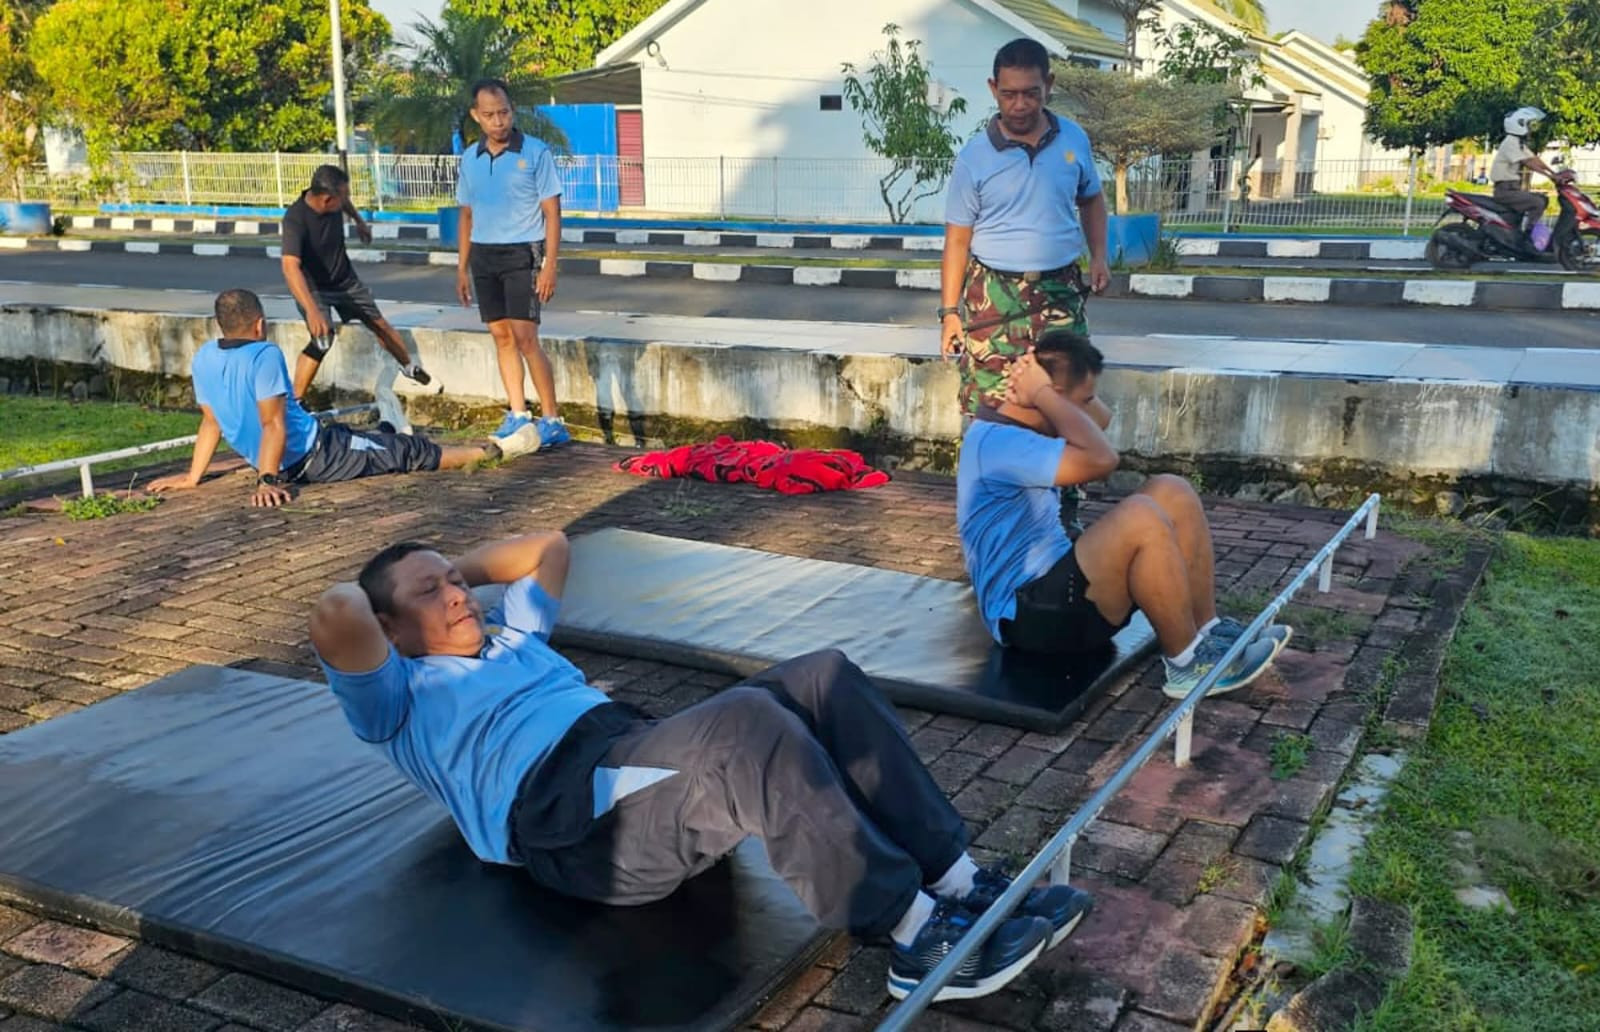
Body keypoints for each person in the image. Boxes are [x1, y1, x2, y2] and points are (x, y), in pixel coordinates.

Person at [309, 531, 1095, 1003]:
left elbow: (549, 545)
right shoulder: (396, 698)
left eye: (455, 582)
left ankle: (957, 882)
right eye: (430, 593)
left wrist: (446, 574)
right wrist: (403, 589)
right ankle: (914, 935)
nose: (456, 595)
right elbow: (335, 609)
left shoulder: (513, 636)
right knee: (746, 722)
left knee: (822, 674)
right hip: (569, 818)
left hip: (628, 750)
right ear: (388, 628)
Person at [956, 329, 1290, 699]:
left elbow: (1100, 420)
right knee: (1141, 516)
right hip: (1028, 619)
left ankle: (1207, 631)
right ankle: (1187, 665)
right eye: (1079, 401)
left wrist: (1046, 388)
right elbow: (1103, 459)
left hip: (1058, 595)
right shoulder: (998, 444)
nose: (1086, 408)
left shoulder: (1029, 423)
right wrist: (1043, 392)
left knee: (1172, 490)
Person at [148, 289, 541, 508]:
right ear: (260, 324)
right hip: (319, 456)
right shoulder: (264, 354)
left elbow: (211, 422)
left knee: (370, 439)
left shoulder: (204, 356)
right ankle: (494, 450)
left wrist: (193, 477)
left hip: (317, 442)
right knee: (409, 453)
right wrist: (267, 480)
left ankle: (388, 425)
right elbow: (272, 423)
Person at [941, 38, 1111, 538]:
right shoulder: (974, 157)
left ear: (1048, 86)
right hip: (993, 297)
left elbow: (1092, 200)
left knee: (1068, 399)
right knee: (995, 407)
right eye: (1009, 93)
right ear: (993, 89)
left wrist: (1099, 256)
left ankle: (1063, 510)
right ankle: (996, 517)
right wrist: (949, 313)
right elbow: (957, 239)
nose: (1020, 105)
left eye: (1031, 93)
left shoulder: (1074, 140)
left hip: (1060, 290)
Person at [454, 78, 570, 448]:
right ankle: (518, 413)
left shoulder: (535, 153)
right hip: (483, 254)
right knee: (501, 336)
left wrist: (550, 264)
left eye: (503, 113)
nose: (498, 121)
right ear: (476, 116)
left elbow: (552, 213)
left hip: (523, 252)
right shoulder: (469, 159)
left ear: (512, 111)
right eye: (489, 115)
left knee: (525, 337)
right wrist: (462, 267)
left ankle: (552, 419)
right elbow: (466, 215)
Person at [281, 164, 430, 410]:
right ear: (328, 199)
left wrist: (359, 221)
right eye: (344, 198)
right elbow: (289, 267)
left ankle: (409, 367)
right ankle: (296, 402)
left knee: (379, 323)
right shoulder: (295, 219)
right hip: (313, 288)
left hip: (344, 280)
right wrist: (312, 310)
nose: (346, 202)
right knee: (323, 338)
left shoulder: (333, 199)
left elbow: (345, 203)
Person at [1490, 106, 1567, 241]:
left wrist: (1553, 173)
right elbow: (1528, 163)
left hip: (1512, 188)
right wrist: (1550, 176)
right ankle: (1527, 237)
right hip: (1505, 190)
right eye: (1528, 125)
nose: (1530, 129)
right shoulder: (1510, 143)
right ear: (1519, 125)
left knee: (1543, 199)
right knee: (1537, 203)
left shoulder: (1518, 143)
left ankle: (1521, 231)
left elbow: (1534, 159)